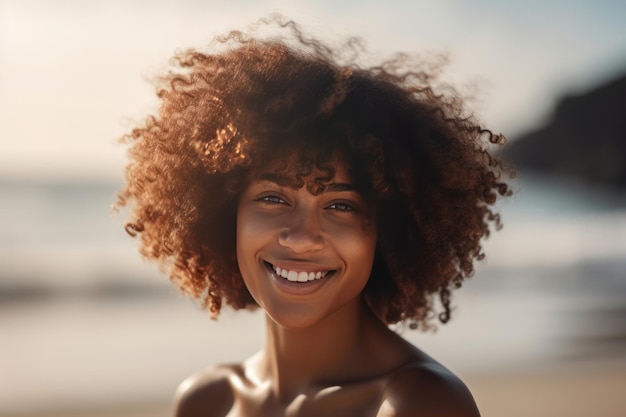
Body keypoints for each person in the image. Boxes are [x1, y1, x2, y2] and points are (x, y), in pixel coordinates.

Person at [116, 15, 511, 417]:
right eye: (273, 198)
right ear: (223, 213)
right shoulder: (206, 401)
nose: (301, 236)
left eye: (340, 206)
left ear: (388, 232)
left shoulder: (418, 404)